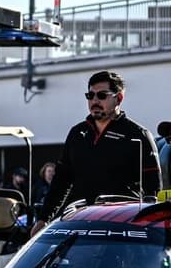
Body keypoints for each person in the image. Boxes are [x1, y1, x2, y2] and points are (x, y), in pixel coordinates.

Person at [37, 71, 160, 227]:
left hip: (122, 223)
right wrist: (43, 219)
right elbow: (61, 182)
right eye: (90, 96)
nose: (94, 100)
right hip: (81, 220)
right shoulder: (77, 133)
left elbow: (153, 189)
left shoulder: (138, 135)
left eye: (102, 95)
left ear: (119, 98)